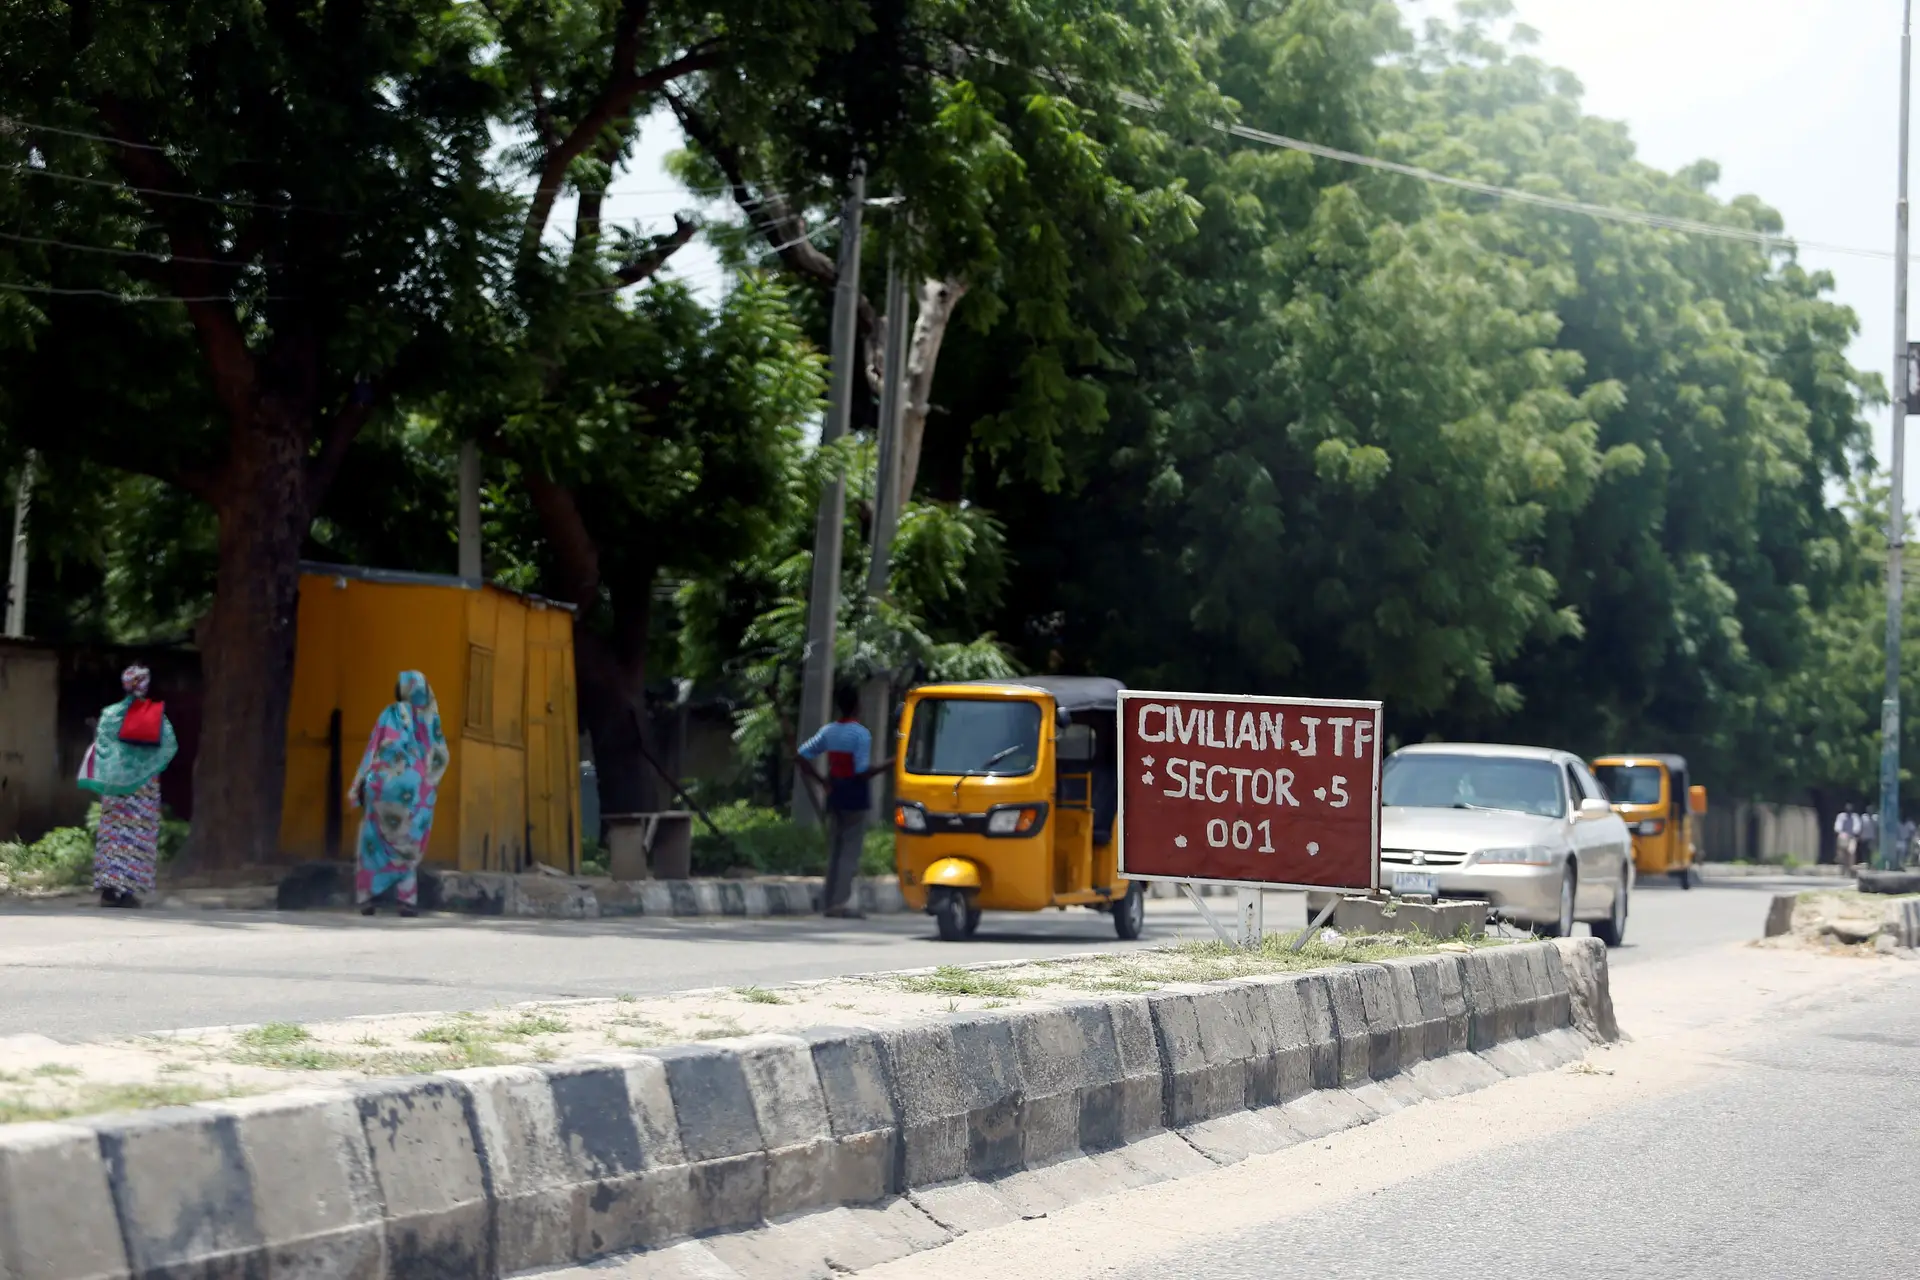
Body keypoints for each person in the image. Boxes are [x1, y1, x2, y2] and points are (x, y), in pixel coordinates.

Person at [348, 670, 450, 917]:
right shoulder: (429, 720)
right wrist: (424, 782)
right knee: (406, 842)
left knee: (372, 838)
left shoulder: (389, 713)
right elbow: (440, 757)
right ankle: (406, 900)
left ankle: (367, 898)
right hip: (413, 791)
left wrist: (357, 784)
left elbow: (373, 749)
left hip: (381, 785)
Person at [77, 664, 178, 908]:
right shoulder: (156, 715)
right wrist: (146, 767)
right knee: (136, 838)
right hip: (143, 790)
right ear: (145, 684)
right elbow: (169, 746)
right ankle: (128, 893)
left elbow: (100, 747)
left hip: (115, 788)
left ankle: (109, 891)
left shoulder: (110, 715)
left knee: (113, 838)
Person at [796, 683, 892, 919]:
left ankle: (829, 901)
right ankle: (839, 902)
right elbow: (861, 772)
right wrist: (890, 763)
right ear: (858, 706)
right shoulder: (860, 734)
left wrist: (822, 782)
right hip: (855, 794)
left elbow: (801, 755)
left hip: (834, 792)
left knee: (835, 850)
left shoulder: (829, 731)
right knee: (850, 850)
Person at [1834, 805, 1858, 870]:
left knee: (1851, 852)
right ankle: (1843, 866)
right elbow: (1838, 826)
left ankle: (1850, 867)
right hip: (1843, 836)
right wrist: (1841, 832)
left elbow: (1857, 827)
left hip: (1851, 837)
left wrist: (1853, 832)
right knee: (1842, 853)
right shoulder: (1841, 816)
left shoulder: (1855, 817)